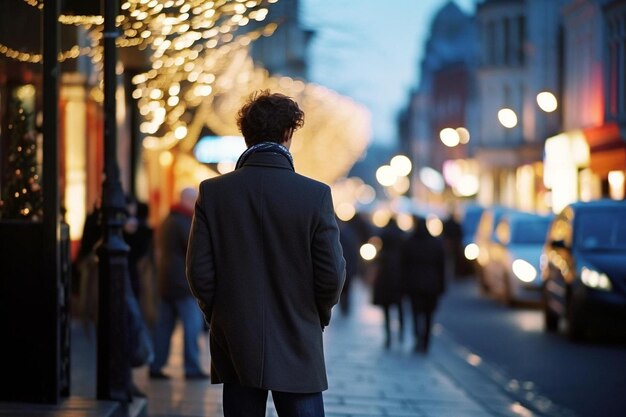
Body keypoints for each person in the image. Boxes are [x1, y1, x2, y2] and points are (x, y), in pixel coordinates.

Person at [186, 90, 346, 417]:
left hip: (236, 336)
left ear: (246, 135)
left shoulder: (213, 192)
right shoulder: (315, 195)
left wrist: (220, 315)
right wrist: (316, 315)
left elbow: (199, 272)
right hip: (298, 331)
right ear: (288, 134)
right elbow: (331, 275)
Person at [150, 187, 208, 380]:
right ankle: (191, 368)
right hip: (182, 284)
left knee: (164, 326)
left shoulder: (168, 219)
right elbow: (194, 249)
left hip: (166, 281)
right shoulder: (184, 221)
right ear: (188, 200)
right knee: (192, 326)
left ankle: (156, 365)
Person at [401, 216, 446, 353]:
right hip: (431, 285)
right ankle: (426, 341)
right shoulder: (436, 243)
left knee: (416, 313)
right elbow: (442, 266)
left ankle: (417, 338)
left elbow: (404, 265)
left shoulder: (409, 242)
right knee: (428, 315)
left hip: (414, 284)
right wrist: (441, 285)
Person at [371, 217, 407, 348]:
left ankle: (388, 336)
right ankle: (402, 333)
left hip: (385, 279)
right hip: (399, 278)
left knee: (386, 309)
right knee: (400, 307)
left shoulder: (383, 246)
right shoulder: (402, 239)